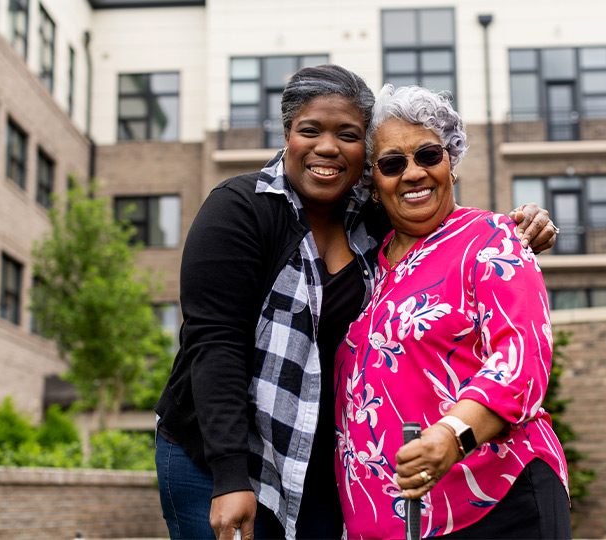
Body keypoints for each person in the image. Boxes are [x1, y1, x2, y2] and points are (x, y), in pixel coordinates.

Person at [154, 65, 558, 540]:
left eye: (347, 134)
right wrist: (229, 472)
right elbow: (215, 342)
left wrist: (525, 225)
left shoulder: (375, 226)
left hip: (325, 468)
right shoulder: (241, 208)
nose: (327, 147)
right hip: (214, 456)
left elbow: (482, 289)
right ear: (288, 134)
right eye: (310, 130)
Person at [334, 84, 571, 539]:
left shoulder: (493, 239)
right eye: (391, 163)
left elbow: (521, 360)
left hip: (496, 506)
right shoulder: (367, 268)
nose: (412, 173)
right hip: (393, 525)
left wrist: (451, 435)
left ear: (451, 163)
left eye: (427, 155)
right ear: (373, 182)